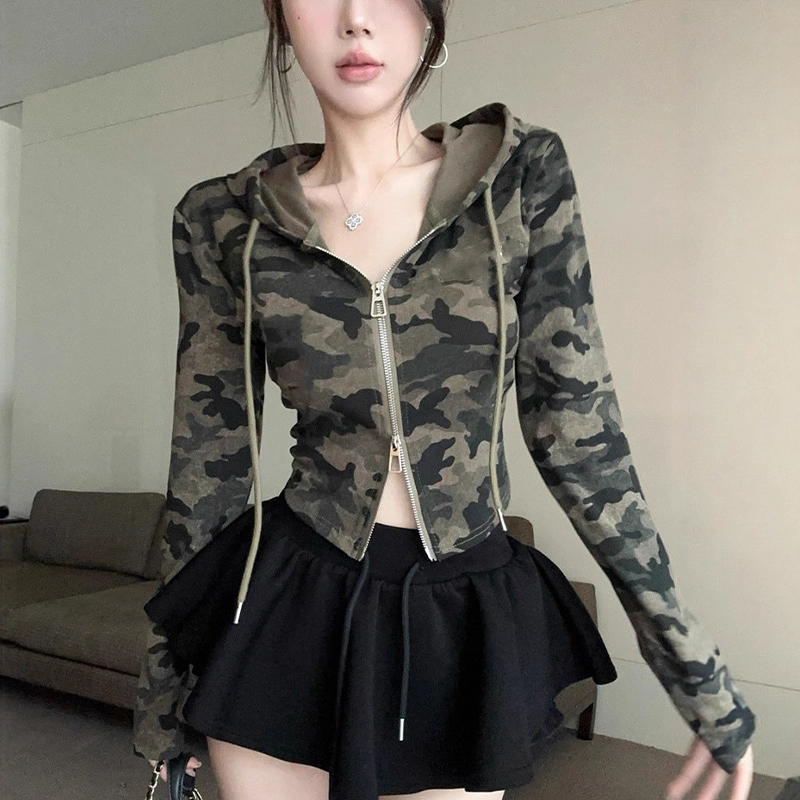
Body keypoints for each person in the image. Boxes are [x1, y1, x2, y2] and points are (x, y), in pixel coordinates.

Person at [132, 1, 757, 799]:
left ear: (431, 18)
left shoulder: (520, 180)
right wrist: (163, 699)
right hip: (288, 603)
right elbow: (207, 465)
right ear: (282, 18)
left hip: (461, 610)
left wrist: (695, 670)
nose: (356, 19)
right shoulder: (222, 221)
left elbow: (579, 434)